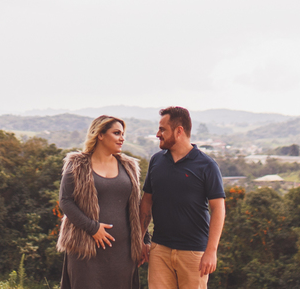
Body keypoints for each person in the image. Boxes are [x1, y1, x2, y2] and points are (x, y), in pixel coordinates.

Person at [139, 107, 226, 289]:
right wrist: (140, 239)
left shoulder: (207, 165)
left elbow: (218, 209)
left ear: (179, 131)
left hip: (194, 253)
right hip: (159, 250)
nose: (158, 134)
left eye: (162, 129)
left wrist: (211, 251)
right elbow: (147, 202)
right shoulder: (156, 161)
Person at [57, 115, 147, 289]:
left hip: (123, 252)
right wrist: (93, 228)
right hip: (86, 251)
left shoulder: (129, 166)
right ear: (100, 134)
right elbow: (65, 201)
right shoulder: (77, 165)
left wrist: (145, 239)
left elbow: (137, 207)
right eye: (116, 133)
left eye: (123, 134)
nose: (122, 138)